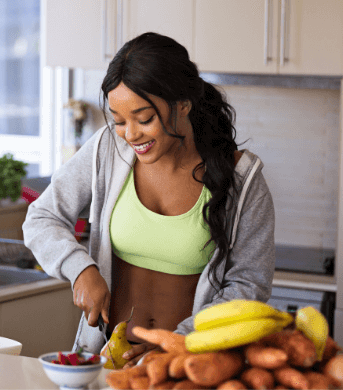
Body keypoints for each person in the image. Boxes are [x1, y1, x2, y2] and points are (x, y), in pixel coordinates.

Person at [23, 32, 275, 360]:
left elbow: (249, 287)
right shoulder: (106, 149)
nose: (131, 134)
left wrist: (176, 342)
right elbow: (42, 218)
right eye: (119, 121)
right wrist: (80, 269)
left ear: (183, 103)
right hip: (107, 362)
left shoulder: (242, 179)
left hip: (186, 366)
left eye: (144, 119)